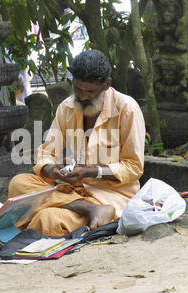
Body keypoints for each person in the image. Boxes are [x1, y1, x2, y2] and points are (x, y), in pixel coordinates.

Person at [8, 49, 146, 237]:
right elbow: (47, 153)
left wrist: (92, 171)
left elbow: (133, 167)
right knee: (19, 183)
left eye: (90, 91)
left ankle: (86, 211)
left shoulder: (126, 109)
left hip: (108, 196)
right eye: (77, 89)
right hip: (71, 193)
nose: (82, 96)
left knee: (46, 220)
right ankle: (89, 211)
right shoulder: (66, 107)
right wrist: (52, 170)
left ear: (106, 85)